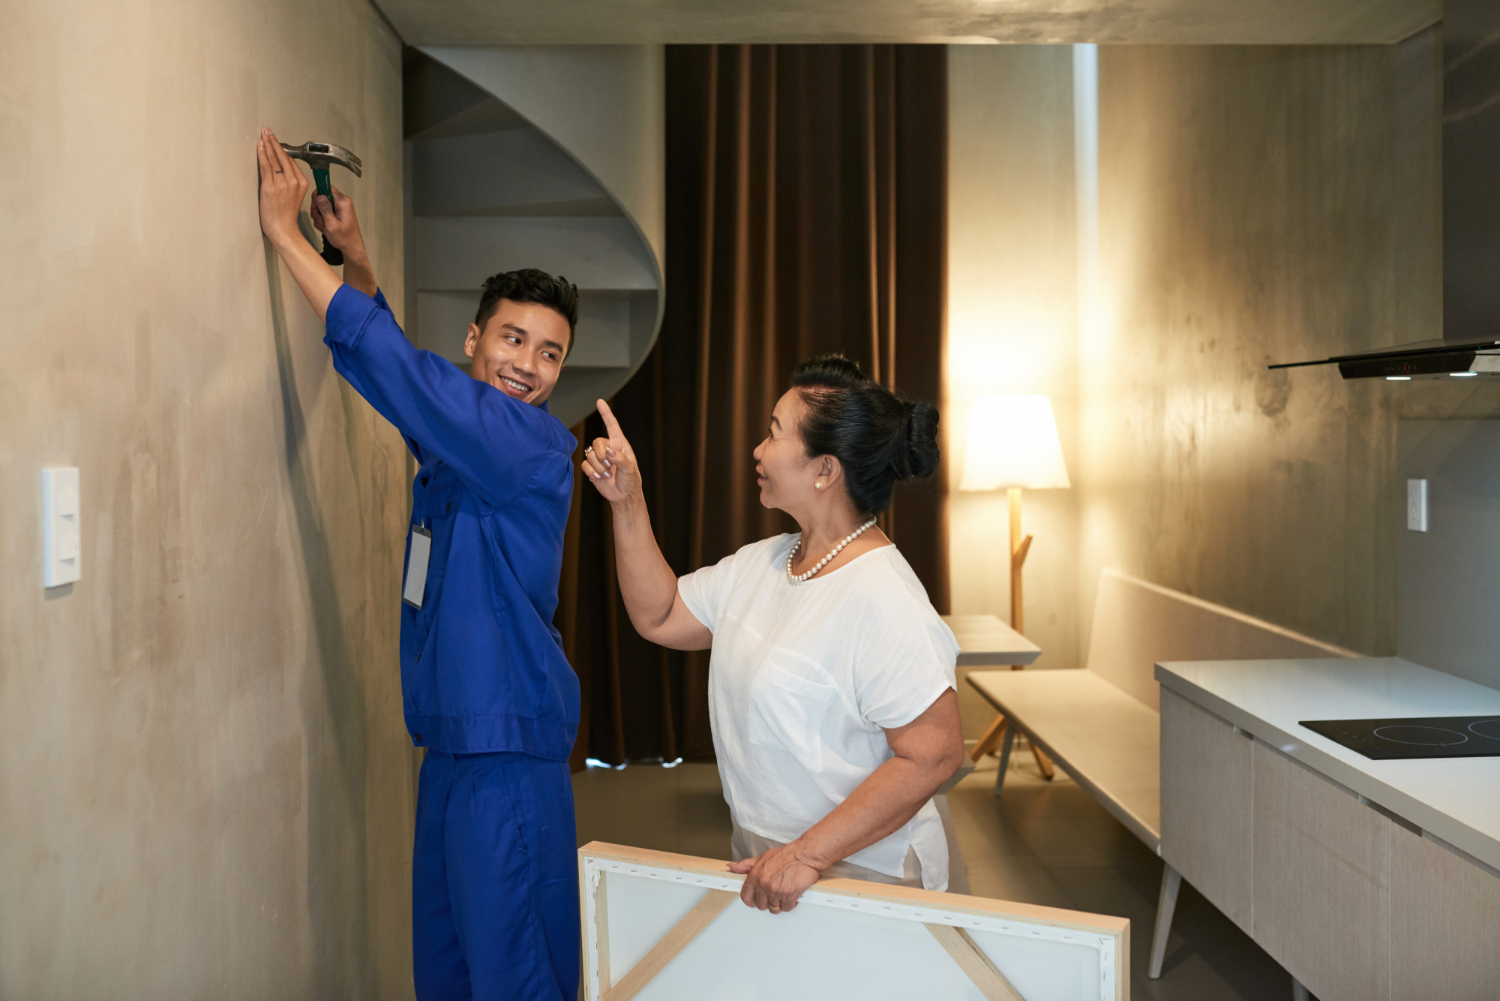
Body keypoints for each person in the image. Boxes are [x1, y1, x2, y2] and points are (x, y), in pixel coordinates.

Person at [256, 129, 580, 1001]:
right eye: (514, 340)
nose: (530, 367)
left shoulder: (530, 448)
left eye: (551, 353)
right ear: (474, 338)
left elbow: (404, 375)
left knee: (514, 979)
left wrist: (287, 237)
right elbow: (402, 382)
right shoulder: (457, 448)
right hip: (449, 753)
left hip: (505, 753)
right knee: (446, 974)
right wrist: (355, 259)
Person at [583, 355, 964, 913]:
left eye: (774, 434)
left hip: (864, 874)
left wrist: (808, 853)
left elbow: (934, 754)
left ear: (824, 469)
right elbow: (660, 614)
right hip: (769, 860)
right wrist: (627, 500)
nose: (758, 451)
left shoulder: (883, 597)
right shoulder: (766, 562)